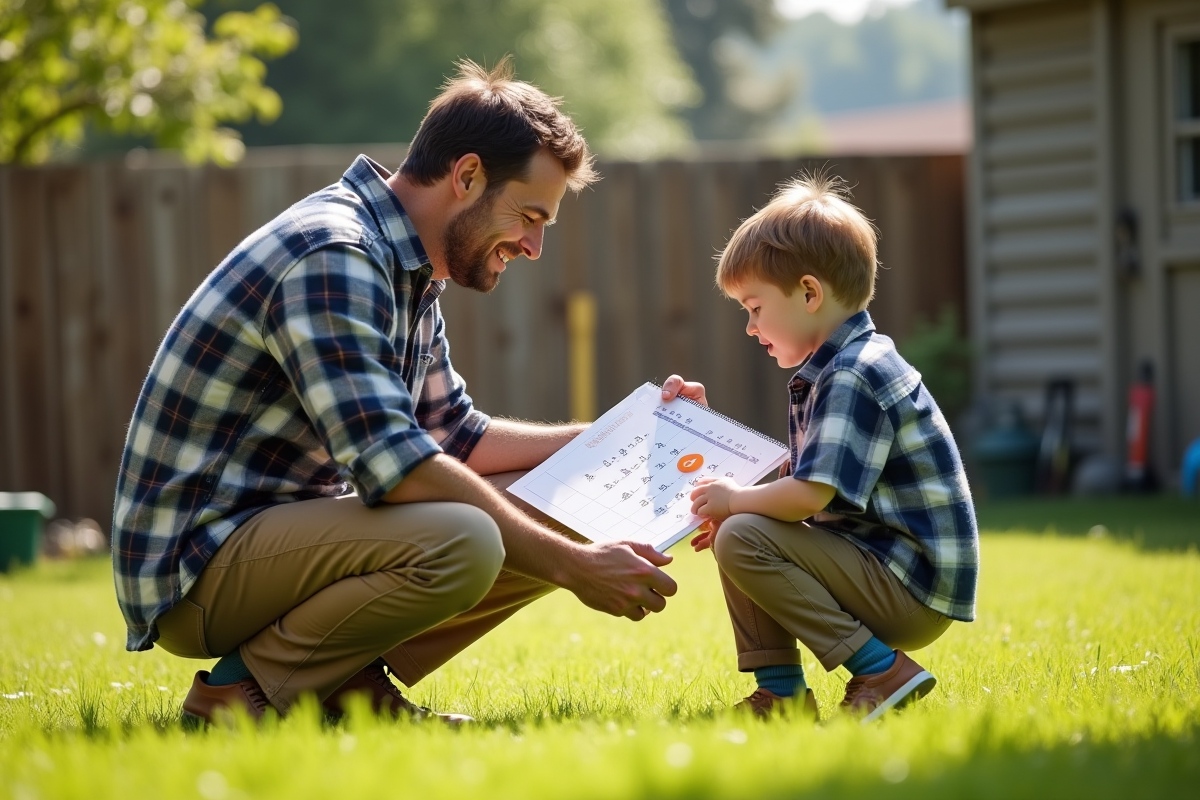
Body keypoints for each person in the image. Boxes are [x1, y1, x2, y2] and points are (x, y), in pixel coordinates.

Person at [111, 59, 702, 724]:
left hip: (278, 543)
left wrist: (624, 433)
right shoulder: (333, 253)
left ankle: (343, 685)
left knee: (559, 497)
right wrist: (573, 566)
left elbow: (451, 436)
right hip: (198, 566)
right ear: (467, 176)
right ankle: (239, 693)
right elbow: (396, 465)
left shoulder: (409, 267)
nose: (535, 246)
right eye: (529, 216)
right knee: (466, 537)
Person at [688, 172, 979, 722]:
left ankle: (883, 671)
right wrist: (724, 484)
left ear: (809, 292)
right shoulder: (837, 368)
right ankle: (781, 698)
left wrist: (736, 503)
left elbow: (810, 494)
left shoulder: (853, 374)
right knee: (739, 529)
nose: (750, 327)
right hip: (882, 569)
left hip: (908, 584)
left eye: (754, 307)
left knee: (744, 528)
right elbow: (799, 489)